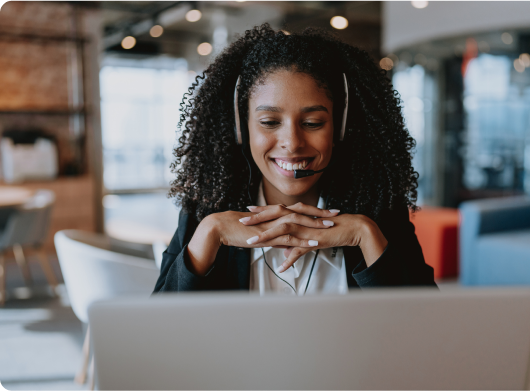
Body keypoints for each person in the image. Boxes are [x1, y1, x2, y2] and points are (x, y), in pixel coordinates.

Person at [153, 24, 436, 294]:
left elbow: (429, 330)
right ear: (242, 129)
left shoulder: (379, 212)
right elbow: (160, 335)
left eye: (312, 123)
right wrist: (208, 235)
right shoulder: (205, 214)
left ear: (339, 128)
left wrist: (366, 235)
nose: (292, 143)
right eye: (269, 121)